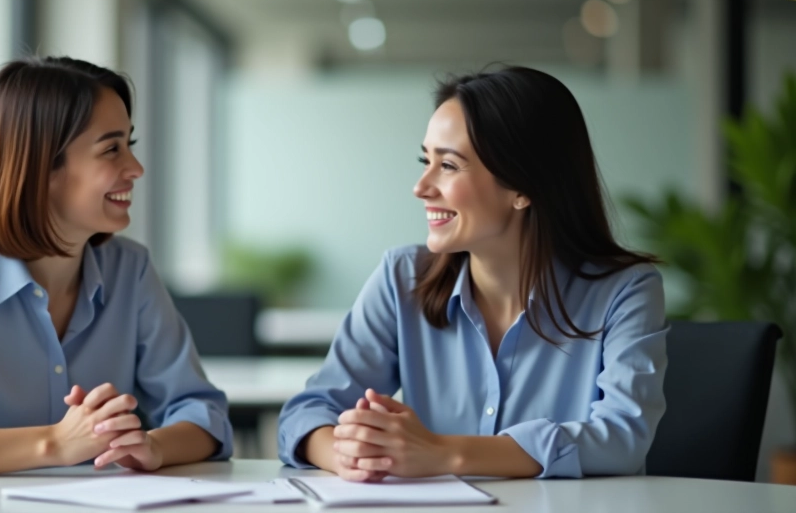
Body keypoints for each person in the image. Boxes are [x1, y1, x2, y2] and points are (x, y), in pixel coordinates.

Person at [278, 66, 667, 481]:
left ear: (522, 187)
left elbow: (623, 437)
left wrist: (444, 453)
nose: (421, 186)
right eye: (425, 160)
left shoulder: (626, 290)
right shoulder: (401, 279)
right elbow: (306, 413)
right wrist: (351, 455)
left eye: (448, 165)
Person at [0, 57, 231, 477]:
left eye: (130, 144)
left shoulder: (130, 270)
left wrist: (151, 446)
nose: (136, 168)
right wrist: (56, 442)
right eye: (111, 149)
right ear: (41, 166)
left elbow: (205, 415)